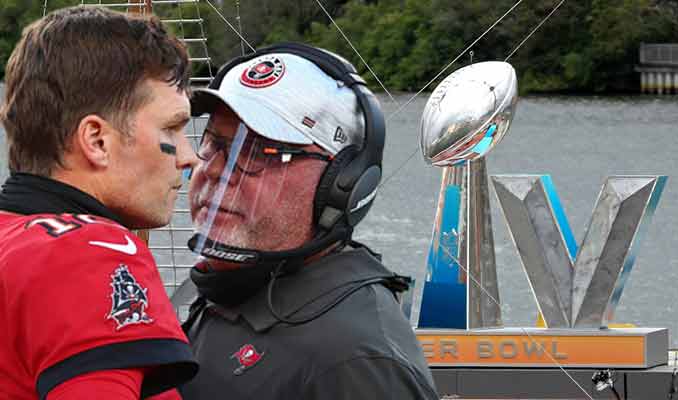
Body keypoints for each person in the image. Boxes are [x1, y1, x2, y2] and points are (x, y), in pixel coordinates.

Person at [179, 42, 438, 399]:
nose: (213, 171)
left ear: (341, 183)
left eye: (258, 153)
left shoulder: (358, 361)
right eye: (213, 144)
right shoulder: (229, 284)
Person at [0, 6, 199, 400]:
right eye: (172, 128)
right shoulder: (88, 253)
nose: (189, 155)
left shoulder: (13, 239)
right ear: (97, 141)